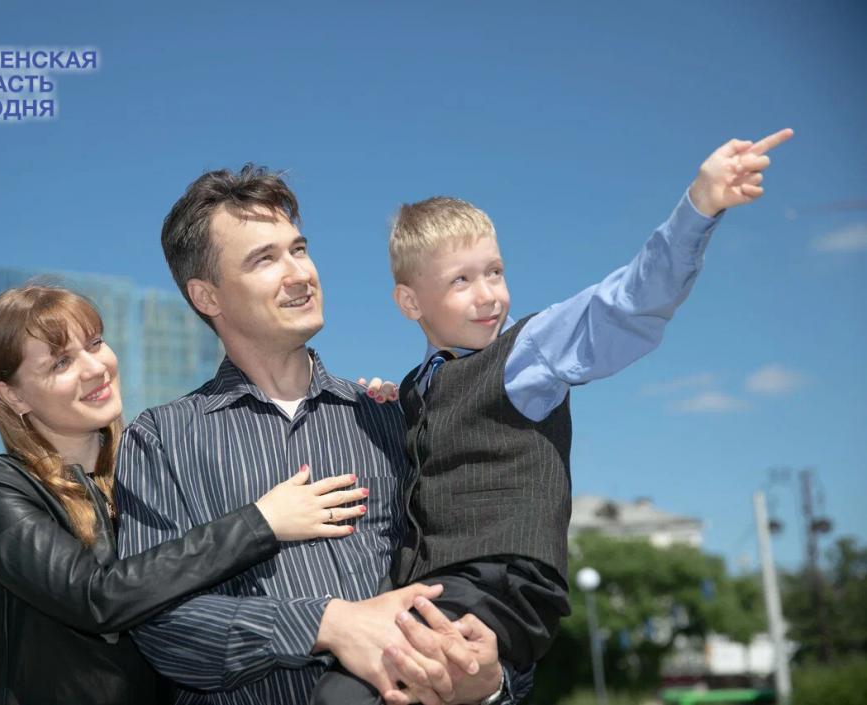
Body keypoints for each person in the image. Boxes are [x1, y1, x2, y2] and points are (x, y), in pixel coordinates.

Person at [311, 128, 796, 704]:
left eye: (494, 271)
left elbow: (627, 303)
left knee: (346, 694)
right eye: (461, 280)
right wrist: (389, 411)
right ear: (410, 302)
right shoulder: (414, 390)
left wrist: (700, 206)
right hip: (434, 589)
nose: (488, 294)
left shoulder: (529, 353)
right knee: (346, 681)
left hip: (502, 583)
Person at [116, 167, 526, 705]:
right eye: (264, 259)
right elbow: (158, 625)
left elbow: (486, 580)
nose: (299, 274)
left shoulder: (394, 417)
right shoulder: (160, 440)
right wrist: (327, 623)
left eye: (300, 250)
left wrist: (494, 686)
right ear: (207, 296)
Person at [0, 285, 370, 705]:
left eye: (95, 343)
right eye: (61, 362)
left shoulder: (154, 464)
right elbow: (95, 598)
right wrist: (261, 522)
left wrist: (366, 410)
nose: (94, 368)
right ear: (13, 395)